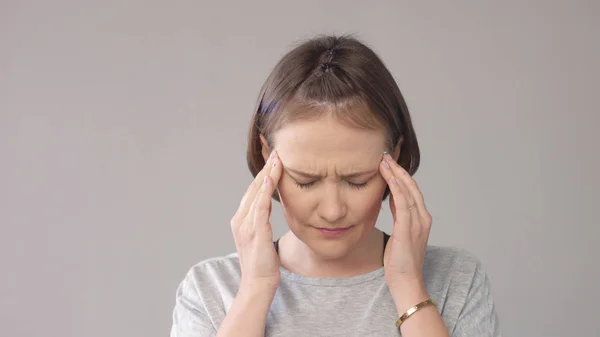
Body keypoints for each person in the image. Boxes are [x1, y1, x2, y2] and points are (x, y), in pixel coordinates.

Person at [170, 34, 500, 337]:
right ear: (267, 154)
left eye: (357, 181)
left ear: (394, 156)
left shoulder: (456, 280)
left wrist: (408, 284)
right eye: (306, 181)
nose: (332, 211)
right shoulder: (209, 289)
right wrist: (255, 290)